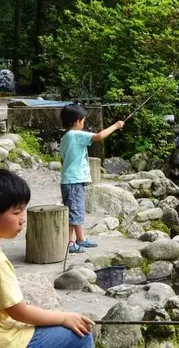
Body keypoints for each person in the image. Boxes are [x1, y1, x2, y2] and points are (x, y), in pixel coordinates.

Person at [0, 169, 95, 348]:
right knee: (80, 335)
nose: (23, 219)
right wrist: (64, 317)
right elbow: (20, 312)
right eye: (16, 213)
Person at [60, 103, 124, 253]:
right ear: (76, 121)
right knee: (74, 213)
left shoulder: (65, 138)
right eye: (83, 121)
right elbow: (99, 136)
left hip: (69, 180)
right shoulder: (77, 135)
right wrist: (116, 125)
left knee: (75, 211)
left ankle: (80, 239)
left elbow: (62, 160)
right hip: (74, 181)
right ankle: (70, 244)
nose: (84, 123)